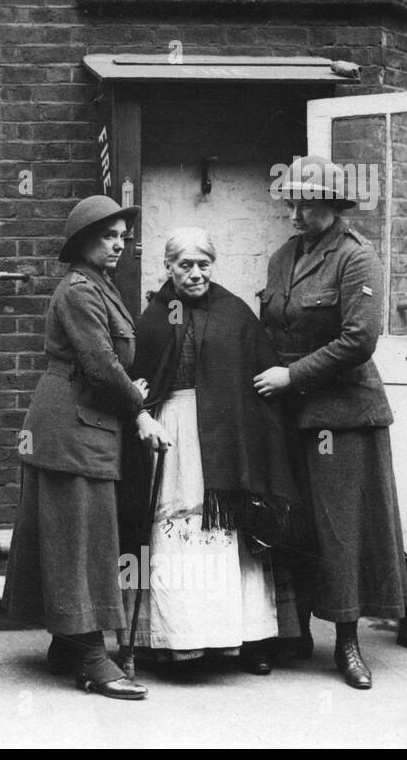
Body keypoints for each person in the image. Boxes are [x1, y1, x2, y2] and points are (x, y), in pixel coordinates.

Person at [2, 195, 170, 701]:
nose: (119, 244)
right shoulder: (79, 290)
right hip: (71, 426)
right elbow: (98, 365)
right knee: (83, 540)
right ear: (82, 242)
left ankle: (66, 643)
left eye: (122, 236)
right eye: (107, 236)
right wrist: (138, 412)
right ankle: (94, 660)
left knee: (72, 534)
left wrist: (129, 389)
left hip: (84, 421)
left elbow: (107, 363)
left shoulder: (100, 286)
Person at [255, 155, 407, 690]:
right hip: (288, 414)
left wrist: (290, 376)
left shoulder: (356, 258)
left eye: (308, 204)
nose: (296, 212)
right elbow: (270, 327)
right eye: (292, 202)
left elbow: (359, 340)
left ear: (334, 206)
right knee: (292, 522)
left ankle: (347, 642)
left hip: (341, 417)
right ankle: (293, 631)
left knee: (340, 527)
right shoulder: (281, 258)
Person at [122, 228, 302, 676]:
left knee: (226, 538)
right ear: (168, 267)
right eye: (185, 264)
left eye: (203, 264)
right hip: (173, 435)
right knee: (177, 537)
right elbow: (136, 379)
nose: (196, 273)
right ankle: (175, 642)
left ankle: (237, 640)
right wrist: (138, 398)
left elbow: (262, 374)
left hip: (226, 441)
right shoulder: (153, 316)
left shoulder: (233, 312)